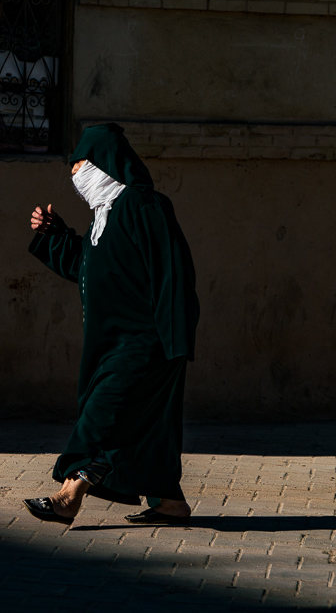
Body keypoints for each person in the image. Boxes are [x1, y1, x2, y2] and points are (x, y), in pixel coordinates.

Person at [23, 122, 200, 526]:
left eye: (81, 165)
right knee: (152, 427)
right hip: (112, 343)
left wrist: (174, 335)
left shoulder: (143, 206)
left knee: (105, 412)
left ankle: (70, 495)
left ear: (106, 163)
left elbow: (173, 270)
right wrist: (55, 235)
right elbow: (91, 267)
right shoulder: (106, 215)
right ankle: (169, 502)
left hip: (147, 339)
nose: (75, 176)